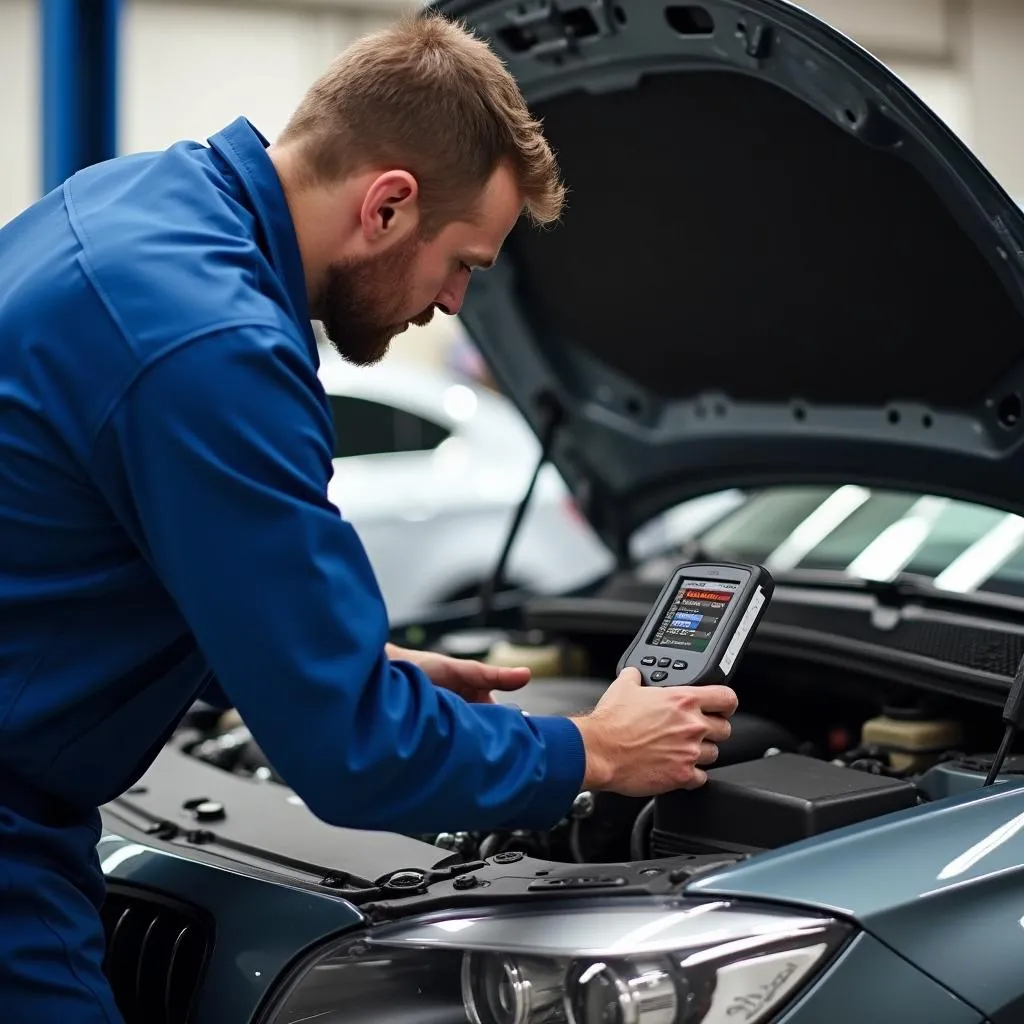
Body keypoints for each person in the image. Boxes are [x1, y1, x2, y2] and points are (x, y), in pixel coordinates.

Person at [0, 12, 737, 1022]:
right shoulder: (215, 348)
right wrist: (593, 751)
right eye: (465, 262)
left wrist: (344, 667)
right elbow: (352, 756)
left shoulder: (136, 201)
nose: (452, 305)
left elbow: (89, 553)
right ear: (388, 204)